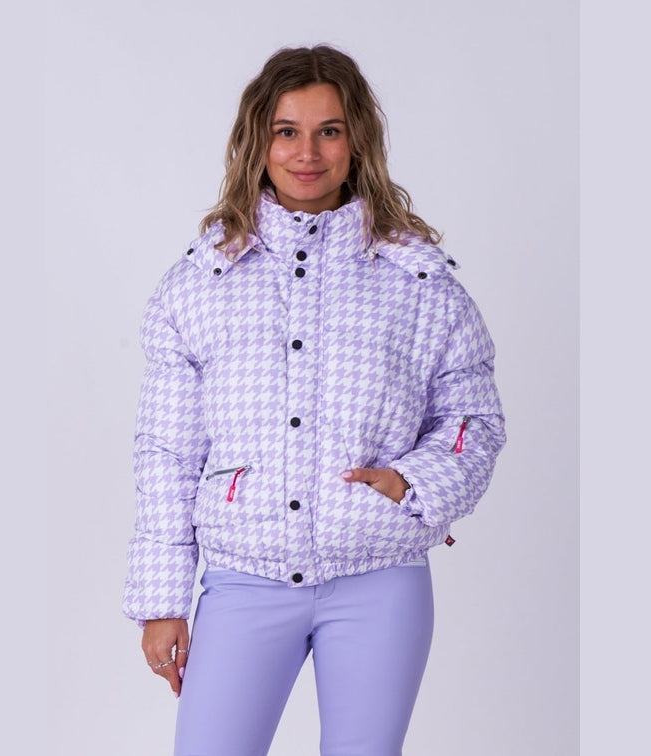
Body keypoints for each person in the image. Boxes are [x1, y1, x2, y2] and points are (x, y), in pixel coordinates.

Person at [123, 44, 505, 756]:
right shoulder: (200, 283)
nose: (307, 152)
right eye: (286, 131)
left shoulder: (416, 279)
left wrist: (413, 483)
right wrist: (161, 600)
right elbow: (167, 453)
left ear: (357, 140)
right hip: (244, 578)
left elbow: (472, 419)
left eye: (329, 130)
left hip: (379, 580)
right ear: (257, 142)